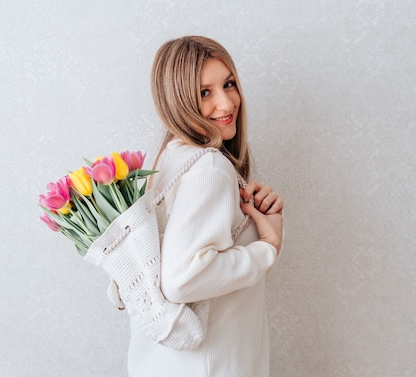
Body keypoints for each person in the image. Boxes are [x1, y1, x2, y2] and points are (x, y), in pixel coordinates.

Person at [127, 36, 284, 376]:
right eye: (205, 92)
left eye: (229, 84)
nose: (227, 104)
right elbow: (183, 280)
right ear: (177, 100)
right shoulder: (210, 168)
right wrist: (267, 247)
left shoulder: (167, 161)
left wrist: (254, 214)